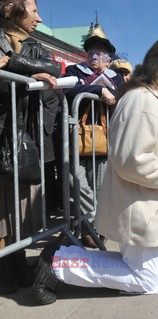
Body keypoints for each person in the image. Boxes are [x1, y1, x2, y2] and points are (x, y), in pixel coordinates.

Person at [32, 36, 158, 305]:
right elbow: (132, 161)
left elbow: (154, 155)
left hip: (145, 204)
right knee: (146, 280)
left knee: (144, 275)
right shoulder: (143, 101)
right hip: (140, 207)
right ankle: (59, 263)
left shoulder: (153, 99)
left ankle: (63, 258)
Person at [0, 0, 61, 294]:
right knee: (3, 208)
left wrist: (12, 64)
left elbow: (51, 67)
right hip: (3, 131)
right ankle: (6, 269)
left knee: (19, 207)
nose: (39, 16)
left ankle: (17, 263)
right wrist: (27, 75)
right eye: (33, 10)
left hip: (25, 137)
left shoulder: (33, 45)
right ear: (15, 9)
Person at [62, 35, 124, 248]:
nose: (94, 57)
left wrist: (110, 91)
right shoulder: (74, 71)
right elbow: (68, 91)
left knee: (99, 186)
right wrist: (99, 90)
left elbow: (123, 97)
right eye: (91, 53)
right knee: (74, 180)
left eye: (100, 53)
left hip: (105, 139)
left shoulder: (117, 78)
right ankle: (97, 219)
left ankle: (95, 231)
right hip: (78, 136)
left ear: (109, 59)